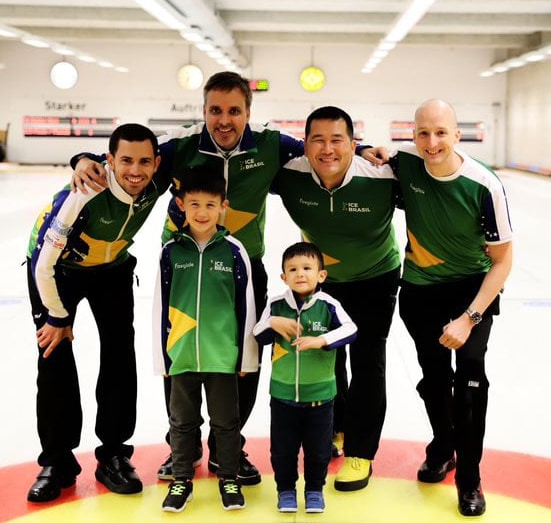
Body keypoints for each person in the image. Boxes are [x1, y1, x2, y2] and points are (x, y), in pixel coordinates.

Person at [71, 73, 380, 483]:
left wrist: (373, 152)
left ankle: (226, 447)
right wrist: (82, 157)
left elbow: (320, 155)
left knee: (245, 356)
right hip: (184, 264)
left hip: (243, 266)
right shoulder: (181, 145)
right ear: (203, 112)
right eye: (215, 110)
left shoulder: (271, 144)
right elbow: (132, 154)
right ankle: (183, 444)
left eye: (234, 111)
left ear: (249, 113)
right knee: (181, 354)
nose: (224, 120)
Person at [25, 123, 171, 503]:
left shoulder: (157, 176)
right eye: (125, 161)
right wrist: (57, 318)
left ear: (157, 163)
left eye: (144, 162)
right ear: (109, 161)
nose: (135, 172)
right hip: (57, 271)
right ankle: (56, 461)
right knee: (54, 355)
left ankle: (115, 454)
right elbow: (43, 264)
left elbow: (187, 139)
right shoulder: (83, 194)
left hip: (112, 268)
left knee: (121, 355)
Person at [391, 99, 513, 517]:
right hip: (420, 292)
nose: (431, 142)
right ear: (412, 135)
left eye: (441, 132)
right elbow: (358, 157)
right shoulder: (403, 164)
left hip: (471, 293)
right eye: (423, 132)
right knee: (435, 378)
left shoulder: (484, 185)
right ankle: (443, 447)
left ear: (458, 135)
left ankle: (470, 479)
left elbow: (502, 262)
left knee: (471, 382)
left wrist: (469, 317)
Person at [271, 106, 400, 491]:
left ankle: (361, 452)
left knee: (367, 361)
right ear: (304, 145)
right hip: (323, 280)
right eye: (318, 140)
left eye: (337, 140)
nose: (327, 150)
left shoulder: (382, 176)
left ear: (353, 144)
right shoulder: (289, 176)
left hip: (376, 278)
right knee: (329, 354)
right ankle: (338, 428)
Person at [156, 166, 259, 512]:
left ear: (223, 207)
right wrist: (162, 358)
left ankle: (228, 478)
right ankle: (181, 479)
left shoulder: (234, 251)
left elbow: (247, 307)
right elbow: (159, 306)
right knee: (182, 423)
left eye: (210, 205)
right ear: (182, 205)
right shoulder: (171, 252)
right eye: (194, 204)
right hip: (182, 354)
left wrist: (246, 357)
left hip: (222, 357)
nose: (202, 212)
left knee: (226, 423)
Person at [253, 242, 357, 513]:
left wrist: (321, 340)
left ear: (321, 275)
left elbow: (351, 330)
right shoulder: (275, 305)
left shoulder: (328, 304)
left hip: (321, 398)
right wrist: (272, 322)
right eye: (293, 269)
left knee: (319, 451)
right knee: (282, 451)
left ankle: (314, 490)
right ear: (283, 277)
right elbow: (258, 335)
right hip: (283, 397)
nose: (300, 274)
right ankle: (285, 490)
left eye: (307, 268)